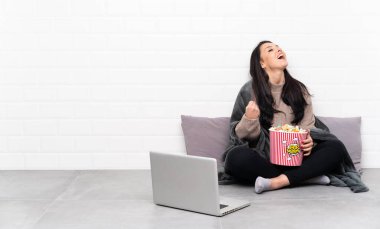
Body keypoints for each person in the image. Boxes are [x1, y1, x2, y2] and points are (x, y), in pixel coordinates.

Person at [221, 40, 368, 194]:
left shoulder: (299, 90)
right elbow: (239, 136)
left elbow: (308, 127)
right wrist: (249, 119)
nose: (278, 50)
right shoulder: (249, 90)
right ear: (262, 63)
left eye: (278, 47)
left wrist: (309, 140)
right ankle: (305, 178)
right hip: (266, 158)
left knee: (335, 147)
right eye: (270, 50)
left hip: (297, 158)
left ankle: (278, 182)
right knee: (235, 157)